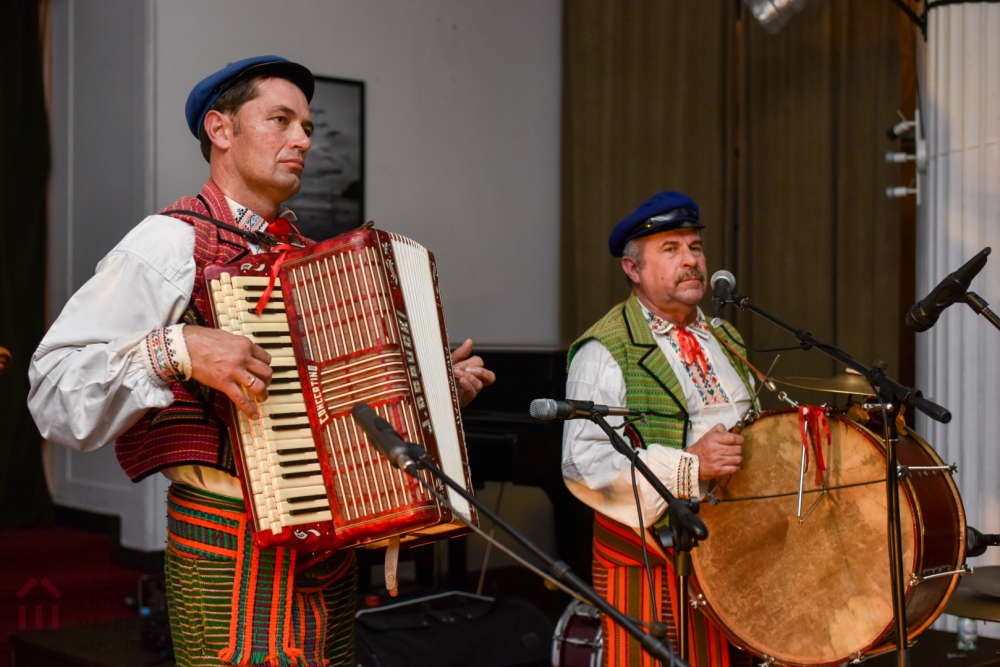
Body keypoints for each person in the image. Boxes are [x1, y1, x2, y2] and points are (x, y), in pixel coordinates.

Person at [28, 55, 494, 667]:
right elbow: (54, 390)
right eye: (281, 120)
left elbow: (334, 409)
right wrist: (179, 349)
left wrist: (428, 394)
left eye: (307, 126)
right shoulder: (169, 241)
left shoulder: (310, 258)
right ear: (220, 129)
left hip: (329, 546)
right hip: (229, 543)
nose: (303, 139)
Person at [562, 191, 758, 667]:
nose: (691, 261)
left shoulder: (726, 338)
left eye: (695, 247)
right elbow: (583, 465)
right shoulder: (604, 350)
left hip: (735, 549)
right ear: (633, 269)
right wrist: (689, 466)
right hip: (651, 557)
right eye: (670, 249)